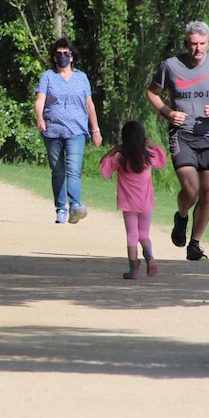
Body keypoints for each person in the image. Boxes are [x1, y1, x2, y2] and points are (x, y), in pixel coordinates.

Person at [146, 20, 209, 261]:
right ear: (185, 44)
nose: (197, 49)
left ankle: (195, 244)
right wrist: (168, 113)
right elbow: (151, 92)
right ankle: (181, 216)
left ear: (208, 43)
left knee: (207, 193)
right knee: (191, 189)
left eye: (201, 44)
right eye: (192, 44)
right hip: (182, 135)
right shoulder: (170, 66)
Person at [34, 37, 103, 224]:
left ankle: (75, 206)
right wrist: (40, 118)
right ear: (54, 57)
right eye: (59, 54)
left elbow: (89, 104)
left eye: (66, 53)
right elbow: (40, 100)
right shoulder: (47, 76)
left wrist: (95, 129)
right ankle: (60, 208)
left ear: (72, 57)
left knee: (73, 170)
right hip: (52, 131)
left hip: (76, 131)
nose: (63, 57)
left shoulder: (81, 78)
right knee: (58, 170)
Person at [100, 121, 167, 279]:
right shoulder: (148, 156)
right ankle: (149, 256)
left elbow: (103, 164)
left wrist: (116, 149)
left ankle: (133, 270)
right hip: (146, 204)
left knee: (132, 235)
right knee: (144, 234)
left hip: (128, 205)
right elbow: (162, 159)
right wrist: (153, 144)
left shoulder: (120, 160)